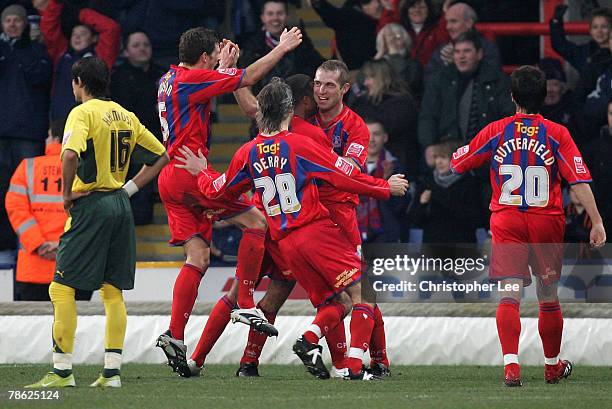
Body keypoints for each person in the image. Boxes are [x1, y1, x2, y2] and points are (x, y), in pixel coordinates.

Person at [176, 77, 408, 380]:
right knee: (362, 292)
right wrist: (384, 188)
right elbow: (343, 176)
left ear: (262, 113)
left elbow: (220, 191)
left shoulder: (246, 152)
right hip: (314, 230)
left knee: (326, 301)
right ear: (290, 110)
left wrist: (201, 171)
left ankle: (290, 347)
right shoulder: (301, 143)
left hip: (279, 238)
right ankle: (350, 364)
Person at [154, 26, 304, 376]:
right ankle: (247, 302)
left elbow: (218, 86)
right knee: (255, 222)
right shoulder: (192, 80)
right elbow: (248, 77)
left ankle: (176, 335)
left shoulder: (168, 78)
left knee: (198, 256)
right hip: (192, 172)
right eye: (213, 59)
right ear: (204, 58)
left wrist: (222, 68)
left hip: (170, 176)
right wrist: (281, 48)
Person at [450, 65, 606, 387]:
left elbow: (458, 163)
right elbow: (578, 181)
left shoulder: (497, 130)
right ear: (544, 97)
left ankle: (511, 366)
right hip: (545, 219)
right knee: (547, 294)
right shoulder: (557, 133)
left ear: (512, 96)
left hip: (507, 219)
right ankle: (551, 367)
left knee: (509, 292)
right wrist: (597, 221)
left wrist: (460, 154)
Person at [25, 57, 169, 388]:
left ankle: (62, 371)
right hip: (119, 203)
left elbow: (71, 154)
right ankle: (112, 372)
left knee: (60, 287)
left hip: (90, 204)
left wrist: (65, 194)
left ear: (78, 82)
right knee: (111, 290)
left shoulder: (82, 113)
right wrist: (129, 188)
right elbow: (162, 153)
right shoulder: (124, 114)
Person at [5, 119, 92, 301]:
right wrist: (62, 247)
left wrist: (39, 245)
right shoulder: (87, 172)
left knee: (35, 328)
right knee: (73, 328)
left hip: (34, 269)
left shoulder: (28, 168)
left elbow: (16, 209)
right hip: (76, 270)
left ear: (53, 138)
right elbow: (92, 217)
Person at [418, 31, 514, 166]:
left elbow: (509, 116)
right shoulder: (439, 80)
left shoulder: (498, 81)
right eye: (457, 52)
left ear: (479, 54)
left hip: (488, 152)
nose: (461, 56)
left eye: (467, 51)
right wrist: (428, 145)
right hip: (448, 152)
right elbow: (428, 115)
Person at [0, 4, 52, 253]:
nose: (12, 24)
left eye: (16, 20)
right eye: (7, 20)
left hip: (28, 134)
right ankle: (4, 246)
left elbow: (41, 77)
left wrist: (24, 48)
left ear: (25, 24)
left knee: (30, 195)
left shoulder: (37, 50)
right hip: (1, 135)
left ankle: (28, 245)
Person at [111, 30, 166, 225]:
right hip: (130, 139)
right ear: (125, 51)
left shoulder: (162, 74)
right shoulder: (118, 77)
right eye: (136, 45)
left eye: (146, 44)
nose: (142, 48)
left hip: (158, 136)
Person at [37, 0, 121, 122]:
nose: (77, 37)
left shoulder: (100, 57)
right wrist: (56, 2)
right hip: (59, 121)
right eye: (74, 34)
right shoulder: (61, 53)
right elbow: (48, 27)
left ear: (93, 39)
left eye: (83, 33)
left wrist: (81, 14)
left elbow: (111, 29)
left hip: (92, 122)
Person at [238, 0, 324, 96]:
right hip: (264, 103)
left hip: (296, 101)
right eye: (270, 14)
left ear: (287, 16)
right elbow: (244, 78)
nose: (275, 18)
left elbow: (317, 67)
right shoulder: (253, 45)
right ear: (262, 18)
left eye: (280, 13)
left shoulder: (300, 40)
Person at [352, 58, 419, 178]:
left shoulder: (402, 103)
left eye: (370, 78)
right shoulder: (363, 101)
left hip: (398, 170)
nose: (366, 83)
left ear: (382, 79)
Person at [407, 139, 480, 243]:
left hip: (461, 246)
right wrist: (422, 204)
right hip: (433, 247)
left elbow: (474, 219)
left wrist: (437, 192)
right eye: (436, 157)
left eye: (443, 157)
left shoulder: (469, 183)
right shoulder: (426, 182)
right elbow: (414, 219)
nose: (438, 162)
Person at [357, 117, 410, 243]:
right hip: (354, 234)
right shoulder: (350, 166)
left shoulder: (395, 166)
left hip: (387, 235)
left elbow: (400, 206)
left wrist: (387, 184)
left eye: (376, 134)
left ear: (385, 137)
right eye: (367, 134)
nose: (371, 140)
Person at [425, 2, 500, 78]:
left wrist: (456, 65)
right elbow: (430, 81)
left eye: (453, 21)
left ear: (469, 23)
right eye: (447, 22)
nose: (448, 27)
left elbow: (493, 78)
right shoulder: (442, 51)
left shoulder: (488, 49)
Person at [308, 0, 381, 70]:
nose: (377, 5)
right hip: (355, 69)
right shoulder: (352, 16)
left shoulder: (381, 19)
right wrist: (319, 3)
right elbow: (333, 16)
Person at [378, 0, 449, 67]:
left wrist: (446, 12)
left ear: (429, 10)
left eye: (422, 7)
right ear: (406, 10)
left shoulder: (436, 29)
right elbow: (385, 31)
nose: (417, 10)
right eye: (412, 7)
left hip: (430, 75)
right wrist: (389, 9)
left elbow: (444, 38)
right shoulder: (400, 28)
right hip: (402, 74)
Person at [550, 5, 612, 74]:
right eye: (595, 27)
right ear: (590, 31)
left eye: (604, 27)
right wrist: (556, 21)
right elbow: (560, 45)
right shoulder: (585, 52)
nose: (599, 31)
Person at [373, 23, 423, 100]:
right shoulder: (376, 63)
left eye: (398, 38)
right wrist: (379, 55)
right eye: (389, 39)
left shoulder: (414, 65)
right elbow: (362, 83)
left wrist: (394, 53)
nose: (393, 42)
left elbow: (403, 86)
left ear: (405, 40)